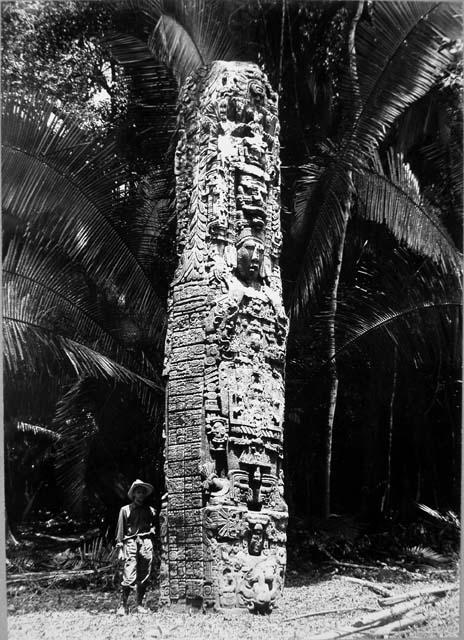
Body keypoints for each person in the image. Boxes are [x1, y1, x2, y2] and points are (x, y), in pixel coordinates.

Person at [115, 479, 156, 615]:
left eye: (143, 493)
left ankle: (139, 605)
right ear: (133, 494)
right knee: (129, 574)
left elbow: (154, 525)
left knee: (144, 575)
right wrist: (120, 548)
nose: (141, 495)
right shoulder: (125, 510)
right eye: (138, 492)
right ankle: (123, 606)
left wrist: (153, 531)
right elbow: (120, 531)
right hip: (131, 543)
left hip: (146, 543)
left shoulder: (150, 510)